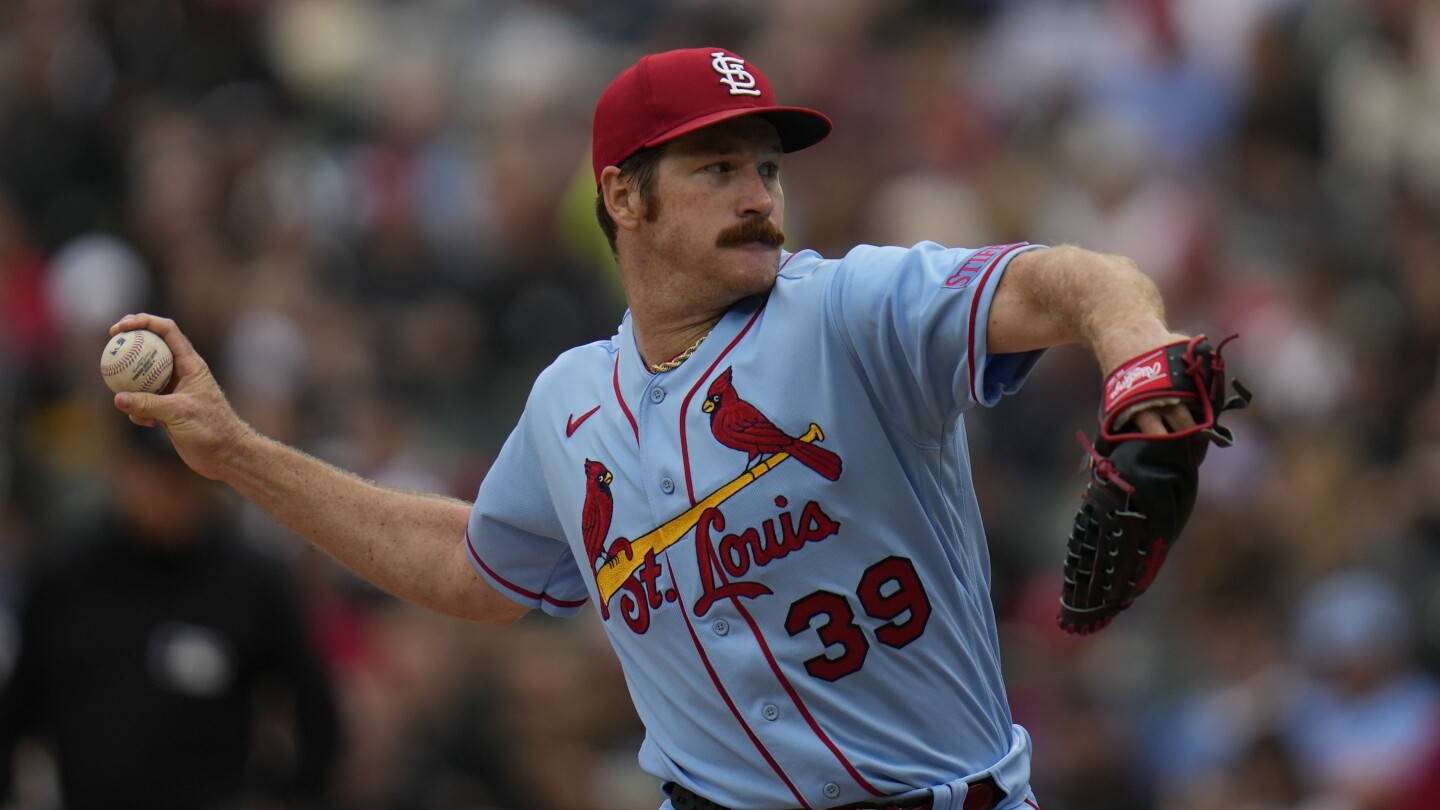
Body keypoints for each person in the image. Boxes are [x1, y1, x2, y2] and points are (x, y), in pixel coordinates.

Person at [108, 47, 1210, 810]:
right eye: (716, 167)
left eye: (767, 166)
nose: (759, 196)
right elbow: (470, 566)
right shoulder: (569, 402)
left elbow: (1078, 279)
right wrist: (238, 455)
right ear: (622, 197)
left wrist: (1140, 367)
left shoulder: (848, 312)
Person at [0, 425, 342, 809]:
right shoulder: (66, 572)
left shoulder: (251, 580)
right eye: (153, 472)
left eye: (180, 477)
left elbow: (318, 712)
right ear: (121, 466)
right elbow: (20, 706)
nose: (165, 493)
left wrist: (286, 794)